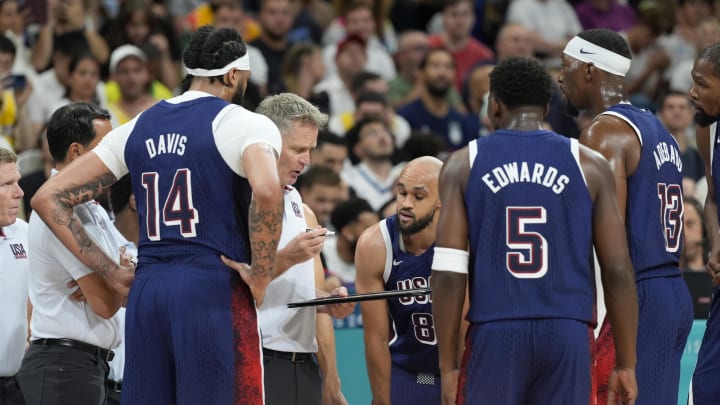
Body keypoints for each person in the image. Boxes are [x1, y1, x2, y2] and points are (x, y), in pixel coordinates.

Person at [29, 26, 284, 405]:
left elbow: (49, 197)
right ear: (233, 74)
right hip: (210, 287)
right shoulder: (245, 122)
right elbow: (266, 190)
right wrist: (261, 273)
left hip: (148, 292)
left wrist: (112, 273)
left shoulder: (138, 125)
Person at [431, 56, 639, 404]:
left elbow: (449, 272)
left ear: (493, 106)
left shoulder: (462, 163)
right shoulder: (590, 163)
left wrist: (447, 365)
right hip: (567, 332)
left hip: (496, 329)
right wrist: (626, 363)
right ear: (546, 106)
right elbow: (618, 270)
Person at [558, 28, 693, 404]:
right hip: (672, 288)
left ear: (588, 70)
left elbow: (604, 234)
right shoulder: (659, 130)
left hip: (634, 295)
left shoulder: (604, 133)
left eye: (566, 66)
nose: (559, 76)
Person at [224, 92, 350, 405]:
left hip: (304, 363)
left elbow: (303, 294)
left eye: (310, 150)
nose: (306, 160)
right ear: (268, 140)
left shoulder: (302, 209)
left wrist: (326, 303)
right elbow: (229, 286)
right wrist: (288, 257)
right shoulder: (236, 200)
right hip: (257, 357)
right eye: (298, 149)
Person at [17, 102, 130, 405]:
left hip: (81, 366)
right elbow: (107, 303)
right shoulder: (60, 212)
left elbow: (127, 270)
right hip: (62, 368)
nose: (115, 159)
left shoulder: (94, 209)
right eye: (106, 147)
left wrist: (118, 272)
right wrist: (117, 275)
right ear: (78, 152)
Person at [355, 156, 444, 405]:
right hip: (407, 372)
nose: (406, 204)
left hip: (460, 369)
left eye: (418, 196)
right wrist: (382, 401)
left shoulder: (463, 238)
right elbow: (376, 338)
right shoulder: (375, 244)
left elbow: (465, 331)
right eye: (401, 193)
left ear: (442, 199)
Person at [687, 42, 720, 405]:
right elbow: (712, 195)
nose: (693, 92)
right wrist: (716, 240)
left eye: (702, 83)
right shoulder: (707, 130)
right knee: (706, 388)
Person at [0, 146, 27, 405]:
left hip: (18, 384)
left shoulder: (26, 234)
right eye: (7, 184)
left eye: (17, 181)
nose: (19, 192)